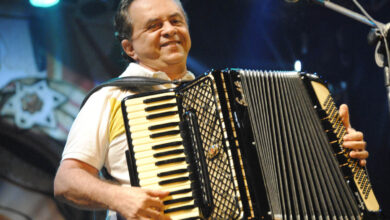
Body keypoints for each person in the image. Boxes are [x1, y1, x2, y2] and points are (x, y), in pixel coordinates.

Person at [53, 0, 369, 219]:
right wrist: (119, 197)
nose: (169, 29)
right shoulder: (111, 98)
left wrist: (339, 155)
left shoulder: (224, 94)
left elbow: (283, 166)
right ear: (129, 48)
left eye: (176, 20)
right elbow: (67, 180)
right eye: (153, 25)